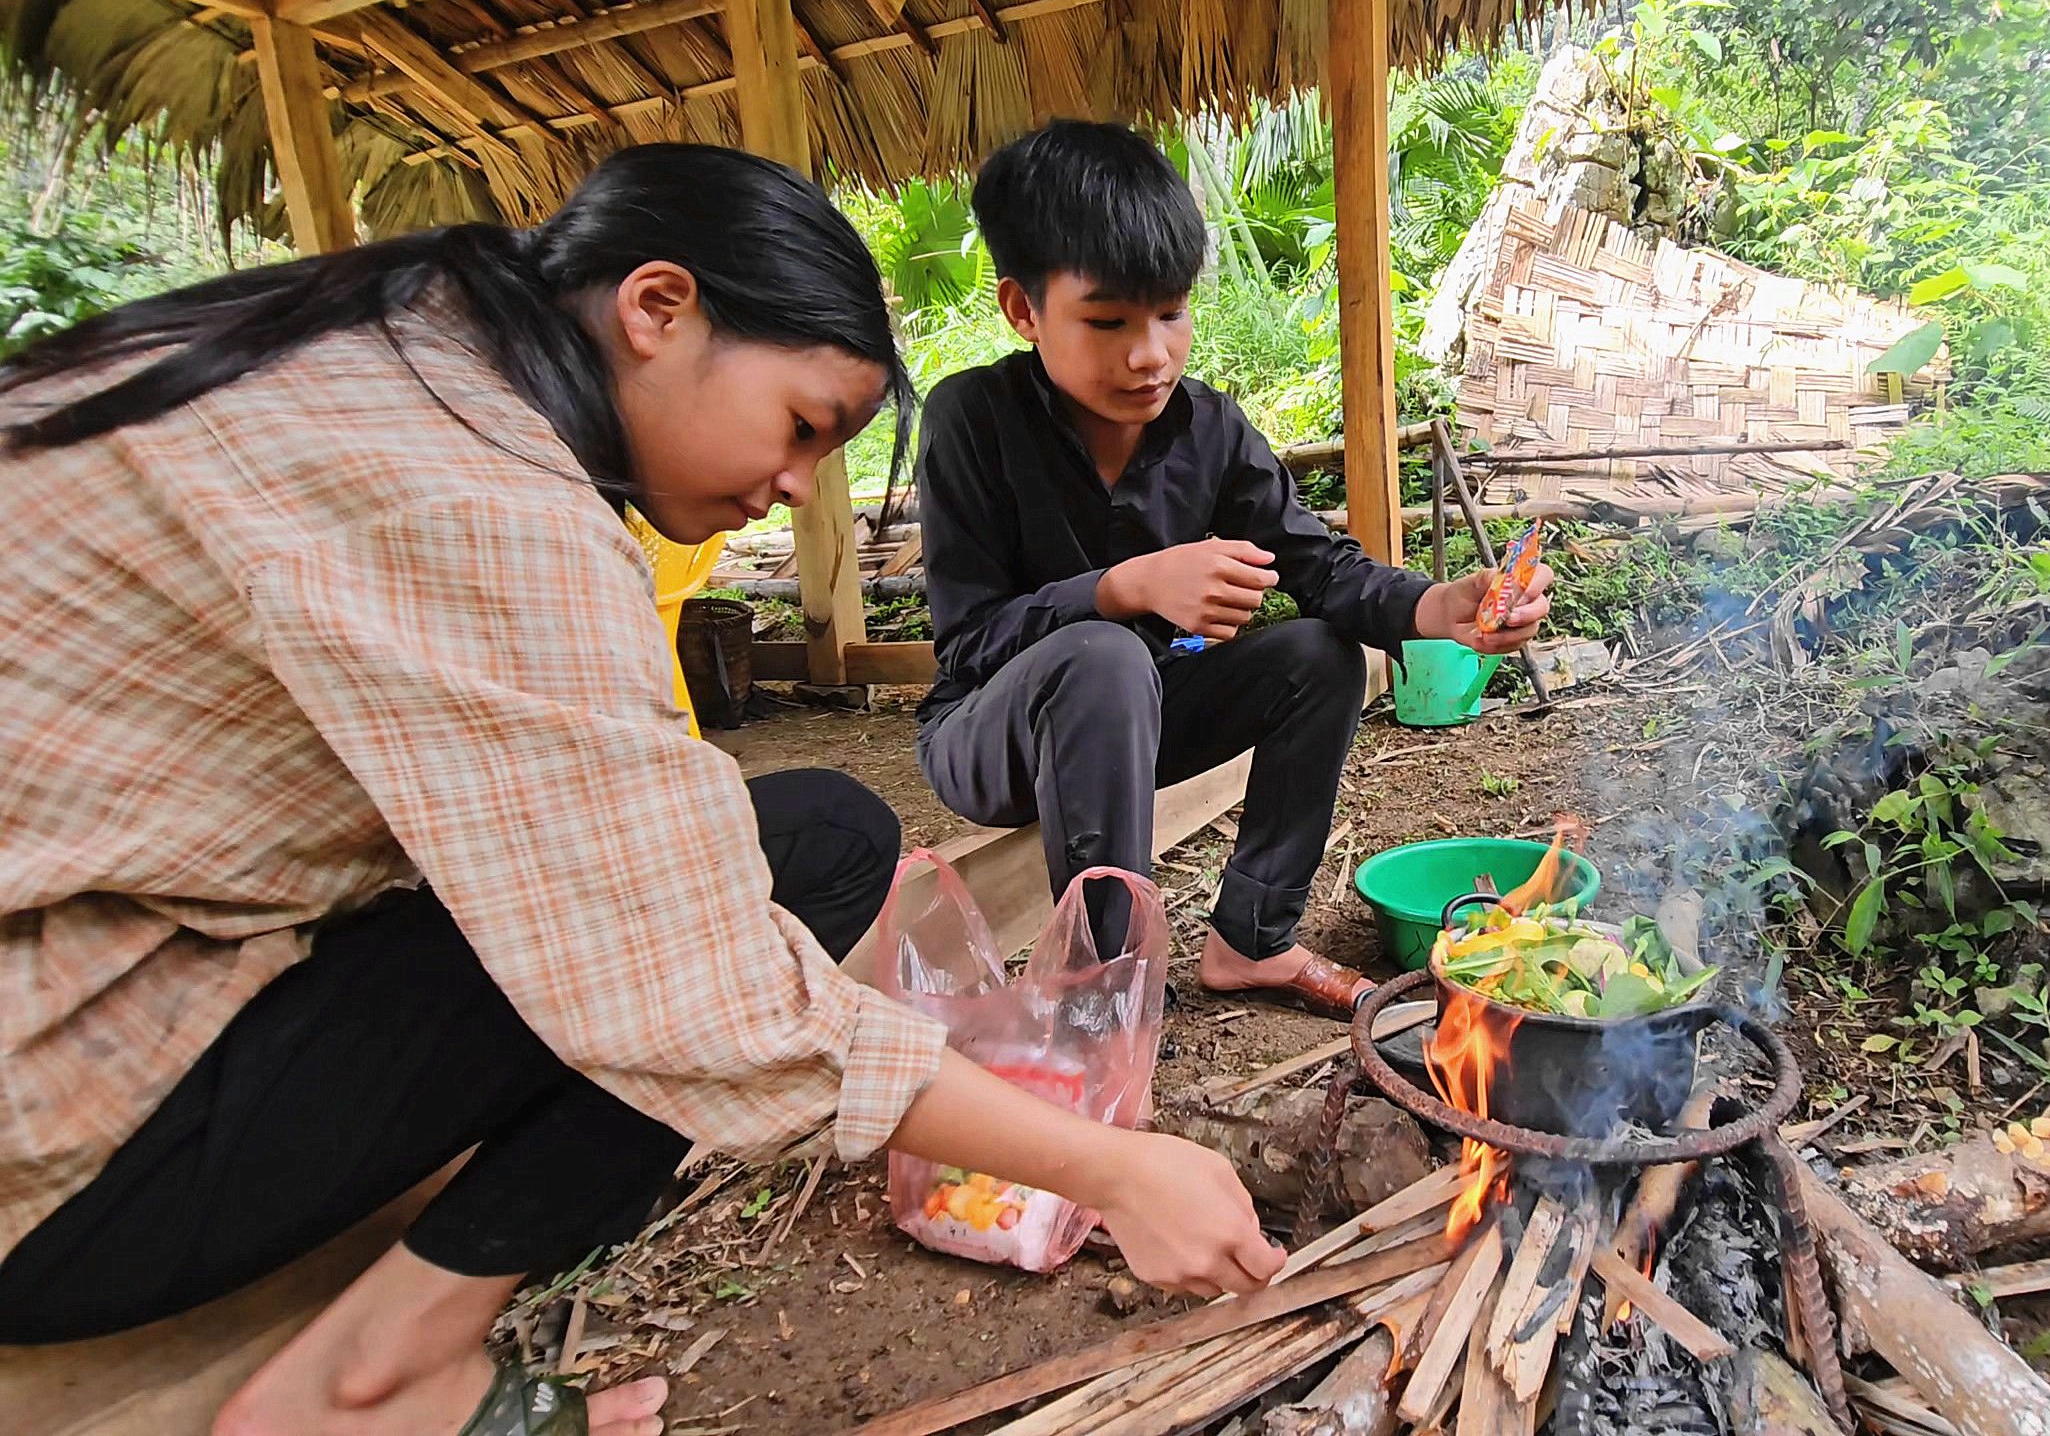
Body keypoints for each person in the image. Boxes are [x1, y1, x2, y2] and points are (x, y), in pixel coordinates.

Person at [0, 144, 1284, 1436]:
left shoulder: (385, 368)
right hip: (62, 1142)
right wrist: (1111, 1168)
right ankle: (376, 1383)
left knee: (808, 834)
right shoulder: (477, 493)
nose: (796, 487)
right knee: (781, 871)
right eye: (800, 428)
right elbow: (692, 979)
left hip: (106, 1020)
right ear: (657, 310)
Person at [914, 121, 1553, 1013]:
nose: (1150, 355)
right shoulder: (969, 422)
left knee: (1318, 655)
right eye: (1107, 322)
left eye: (1171, 313)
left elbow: (1320, 567)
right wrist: (1122, 588)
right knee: (1106, 656)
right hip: (992, 738)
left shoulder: (1209, 429)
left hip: (1139, 722)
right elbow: (972, 645)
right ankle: (1105, 994)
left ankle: (1250, 941)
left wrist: (1436, 603)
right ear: (1023, 310)